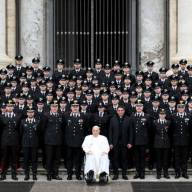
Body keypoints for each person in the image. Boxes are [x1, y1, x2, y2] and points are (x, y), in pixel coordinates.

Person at [109, 105, 132, 180]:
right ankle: (116, 174)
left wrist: (130, 142)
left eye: (122, 110)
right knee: (115, 159)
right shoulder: (113, 119)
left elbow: (131, 132)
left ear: (124, 111)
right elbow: (110, 132)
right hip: (115, 143)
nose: (120, 112)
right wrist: (110, 143)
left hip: (125, 143)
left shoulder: (128, 119)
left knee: (124, 159)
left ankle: (124, 174)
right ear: (117, 111)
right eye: (119, 110)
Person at [20, 106, 40, 180]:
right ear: (27, 113)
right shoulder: (23, 121)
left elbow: (40, 133)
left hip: (34, 143)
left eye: (32, 112)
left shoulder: (38, 121)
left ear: (34, 113)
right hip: (25, 143)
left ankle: (34, 174)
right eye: (29, 112)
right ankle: (27, 174)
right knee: (26, 159)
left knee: (34, 159)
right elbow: (21, 132)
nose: (30, 113)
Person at [153, 109, 171, 179]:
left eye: (163, 114)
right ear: (159, 115)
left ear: (165, 115)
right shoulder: (155, 122)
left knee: (165, 159)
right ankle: (158, 173)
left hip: (166, 143)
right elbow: (153, 132)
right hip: (157, 143)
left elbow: (170, 132)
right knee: (158, 160)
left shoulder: (168, 122)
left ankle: (166, 173)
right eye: (161, 114)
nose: (162, 115)